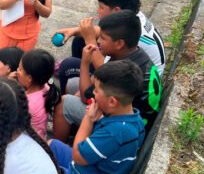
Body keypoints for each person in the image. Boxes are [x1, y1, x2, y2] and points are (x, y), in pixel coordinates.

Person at [49, 60, 146, 174]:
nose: (92, 92)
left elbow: (78, 156)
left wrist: (88, 118)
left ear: (112, 101)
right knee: (51, 145)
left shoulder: (116, 132)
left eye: (97, 90)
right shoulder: (135, 119)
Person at [52, 10, 161, 142]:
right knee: (73, 86)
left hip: (122, 131)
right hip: (135, 119)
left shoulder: (120, 72)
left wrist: (85, 62)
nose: (98, 41)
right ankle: (71, 126)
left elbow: (84, 96)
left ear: (119, 44)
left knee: (64, 103)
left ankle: (56, 149)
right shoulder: (134, 54)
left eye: (103, 38)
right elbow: (92, 84)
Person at [55, 0, 165, 94]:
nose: (98, 11)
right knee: (79, 40)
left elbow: (107, 69)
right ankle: (87, 81)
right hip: (131, 71)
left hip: (131, 89)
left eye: (101, 7)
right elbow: (102, 32)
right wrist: (75, 30)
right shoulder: (132, 18)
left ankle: (68, 103)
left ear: (117, 10)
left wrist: (90, 40)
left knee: (68, 65)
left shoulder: (135, 36)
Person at [16, 49, 61, 140]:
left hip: (30, 142)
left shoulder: (27, 103)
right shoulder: (47, 87)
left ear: (29, 78)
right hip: (41, 136)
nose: (17, 71)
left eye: (20, 69)